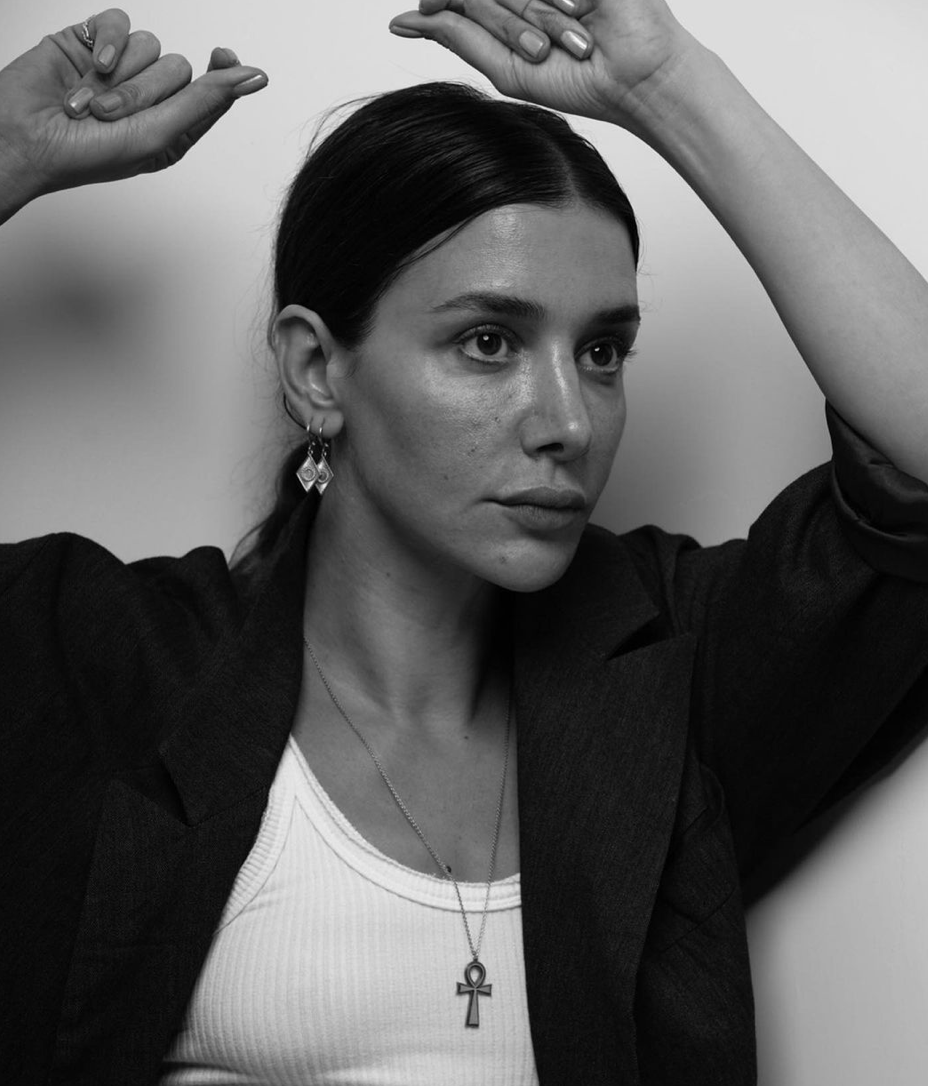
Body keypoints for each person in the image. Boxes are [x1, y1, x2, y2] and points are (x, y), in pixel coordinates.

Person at [1, 3, 927, 1084]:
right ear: (316, 371)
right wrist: (9, 153)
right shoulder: (92, 661)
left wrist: (667, 86)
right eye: (489, 342)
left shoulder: (675, 685)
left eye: (602, 352)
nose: (568, 420)